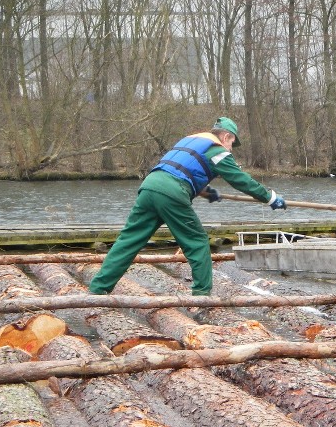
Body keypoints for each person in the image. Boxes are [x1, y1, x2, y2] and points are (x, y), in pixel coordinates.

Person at [89, 117, 286, 296]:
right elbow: (241, 180)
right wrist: (269, 198)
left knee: (128, 241)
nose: (231, 148)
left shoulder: (189, 142)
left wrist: (208, 193)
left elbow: (181, 169)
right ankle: (202, 295)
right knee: (197, 241)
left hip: (150, 186)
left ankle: (98, 289)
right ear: (226, 136)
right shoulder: (217, 151)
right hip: (171, 192)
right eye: (232, 142)